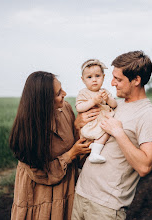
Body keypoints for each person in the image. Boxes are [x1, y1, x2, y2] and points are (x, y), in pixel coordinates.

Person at [72, 51, 152, 220]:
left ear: (136, 80)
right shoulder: (114, 105)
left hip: (106, 207)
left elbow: (144, 167)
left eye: (118, 79)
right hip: (81, 193)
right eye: (113, 77)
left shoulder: (148, 115)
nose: (112, 83)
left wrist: (118, 133)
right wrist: (78, 124)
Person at [9, 71, 99, 220]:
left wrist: (77, 128)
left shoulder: (66, 109)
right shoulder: (28, 131)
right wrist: (70, 155)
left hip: (65, 189)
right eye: (58, 93)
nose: (64, 93)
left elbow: (74, 144)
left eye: (61, 88)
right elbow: (40, 174)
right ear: (44, 101)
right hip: (38, 196)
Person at [76, 59, 117, 164]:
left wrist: (107, 99)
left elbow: (114, 104)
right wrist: (93, 101)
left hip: (102, 122)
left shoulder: (105, 92)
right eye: (89, 77)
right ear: (83, 80)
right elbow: (79, 107)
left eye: (97, 76)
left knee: (106, 132)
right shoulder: (83, 93)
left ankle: (95, 151)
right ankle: (93, 153)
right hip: (92, 123)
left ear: (103, 77)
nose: (94, 80)